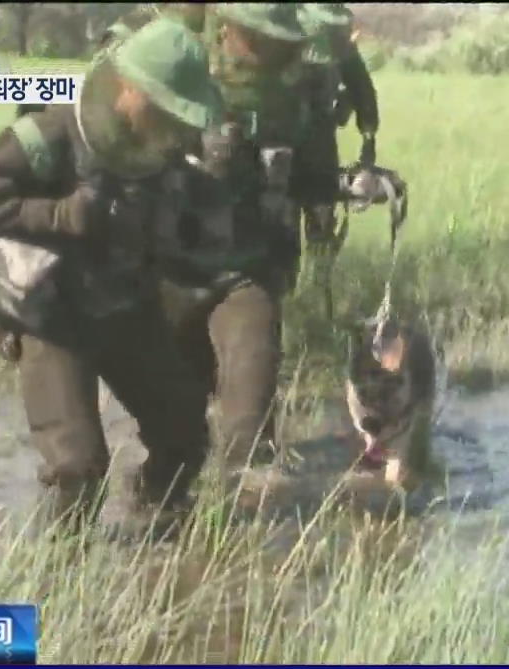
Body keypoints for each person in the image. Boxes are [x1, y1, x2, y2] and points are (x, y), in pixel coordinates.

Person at [0, 17, 224, 538]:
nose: (173, 122)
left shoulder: (164, 150)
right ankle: (62, 576)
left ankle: (156, 522)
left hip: (129, 308)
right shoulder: (47, 134)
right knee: (76, 467)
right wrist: (63, 215)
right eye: (162, 105)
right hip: (53, 317)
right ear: (127, 87)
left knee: (185, 433)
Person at [150, 3, 315, 491]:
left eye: (275, 38)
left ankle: (244, 542)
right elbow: (120, 161)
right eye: (255, 36)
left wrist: (357, 182)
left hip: (246, 270)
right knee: (172, 426)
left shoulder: (289, 102)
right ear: (225, 31)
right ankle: (167, 527)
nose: (266, 48)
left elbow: (310, 178)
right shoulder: (174, 78)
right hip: (172, 272)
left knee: (250, 409)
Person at [295, 3, 380, 269]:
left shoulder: (342, 48)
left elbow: (364, 92)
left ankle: (318, 286)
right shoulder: (278, 39)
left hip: (319, 141)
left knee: (321, 218)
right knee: (275, 229)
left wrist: (367, 150)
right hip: (276, 139)